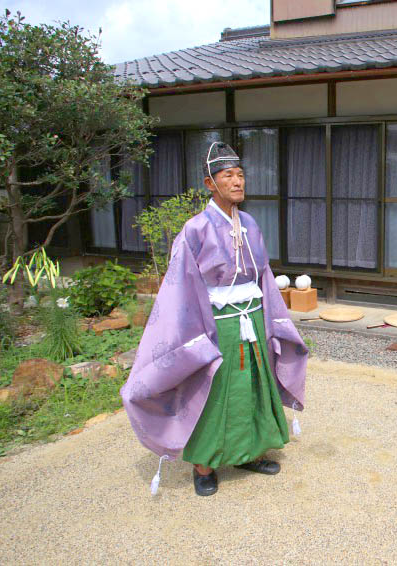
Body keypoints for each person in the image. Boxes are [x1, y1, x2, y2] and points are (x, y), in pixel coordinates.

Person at [121, 142, 308, 496]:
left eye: (240, 175)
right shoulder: (195, 229)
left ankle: (248, 452)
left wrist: (274, 322)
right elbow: (180, 288)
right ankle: (203, 464)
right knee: (213, 390)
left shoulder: (250, 224)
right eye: (228, 176)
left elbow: (263, 277)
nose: (237, 182)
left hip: (252, 319)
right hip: (216, 324)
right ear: (210, 183)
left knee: (254, 384)